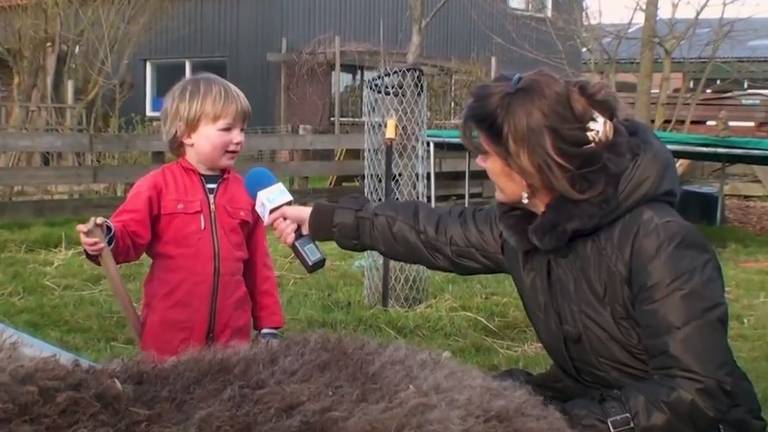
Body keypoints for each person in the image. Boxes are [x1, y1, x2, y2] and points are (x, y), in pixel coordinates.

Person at [268, 70, 766, 431]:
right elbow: (434, 232)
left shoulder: (661, 241)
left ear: (530, 164)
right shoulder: (529, 225)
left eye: (488, 152)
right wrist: (321, 217)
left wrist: (565, 423)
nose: (481, 161)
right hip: (591, 395)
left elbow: (696, 394)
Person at [76, 73, 284, 361]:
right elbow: (127, 236)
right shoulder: (157, 186)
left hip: (232, 345)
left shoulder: (245, 193)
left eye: (242, 129)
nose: (239, 139)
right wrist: (107, 239)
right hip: (169, 344)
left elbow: (259, 267)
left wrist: (269, 325)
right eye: (227, 128)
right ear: (187, 134)